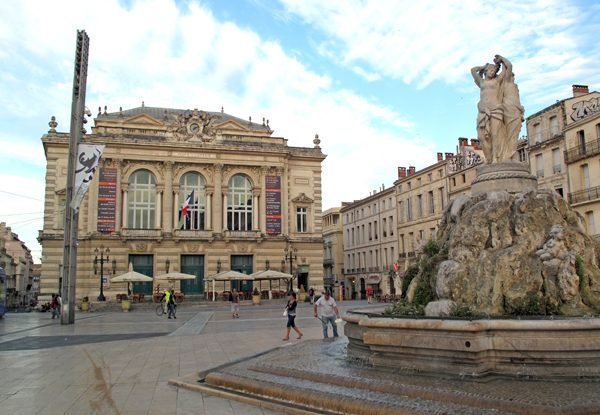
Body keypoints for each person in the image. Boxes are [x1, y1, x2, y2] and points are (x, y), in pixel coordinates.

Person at [471, 54, 522, 164]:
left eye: (494, 70)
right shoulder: (482, 82)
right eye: (490, 70)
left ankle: (495, 158)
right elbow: (473, 70)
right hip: (483, 112)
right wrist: (483, 66)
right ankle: (488, 158)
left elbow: (509, 66)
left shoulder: (497, 80)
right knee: (482, 137)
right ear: (486, 71)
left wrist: (501, 60)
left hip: (496, 109)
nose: (492, 72)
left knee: (495, 135)